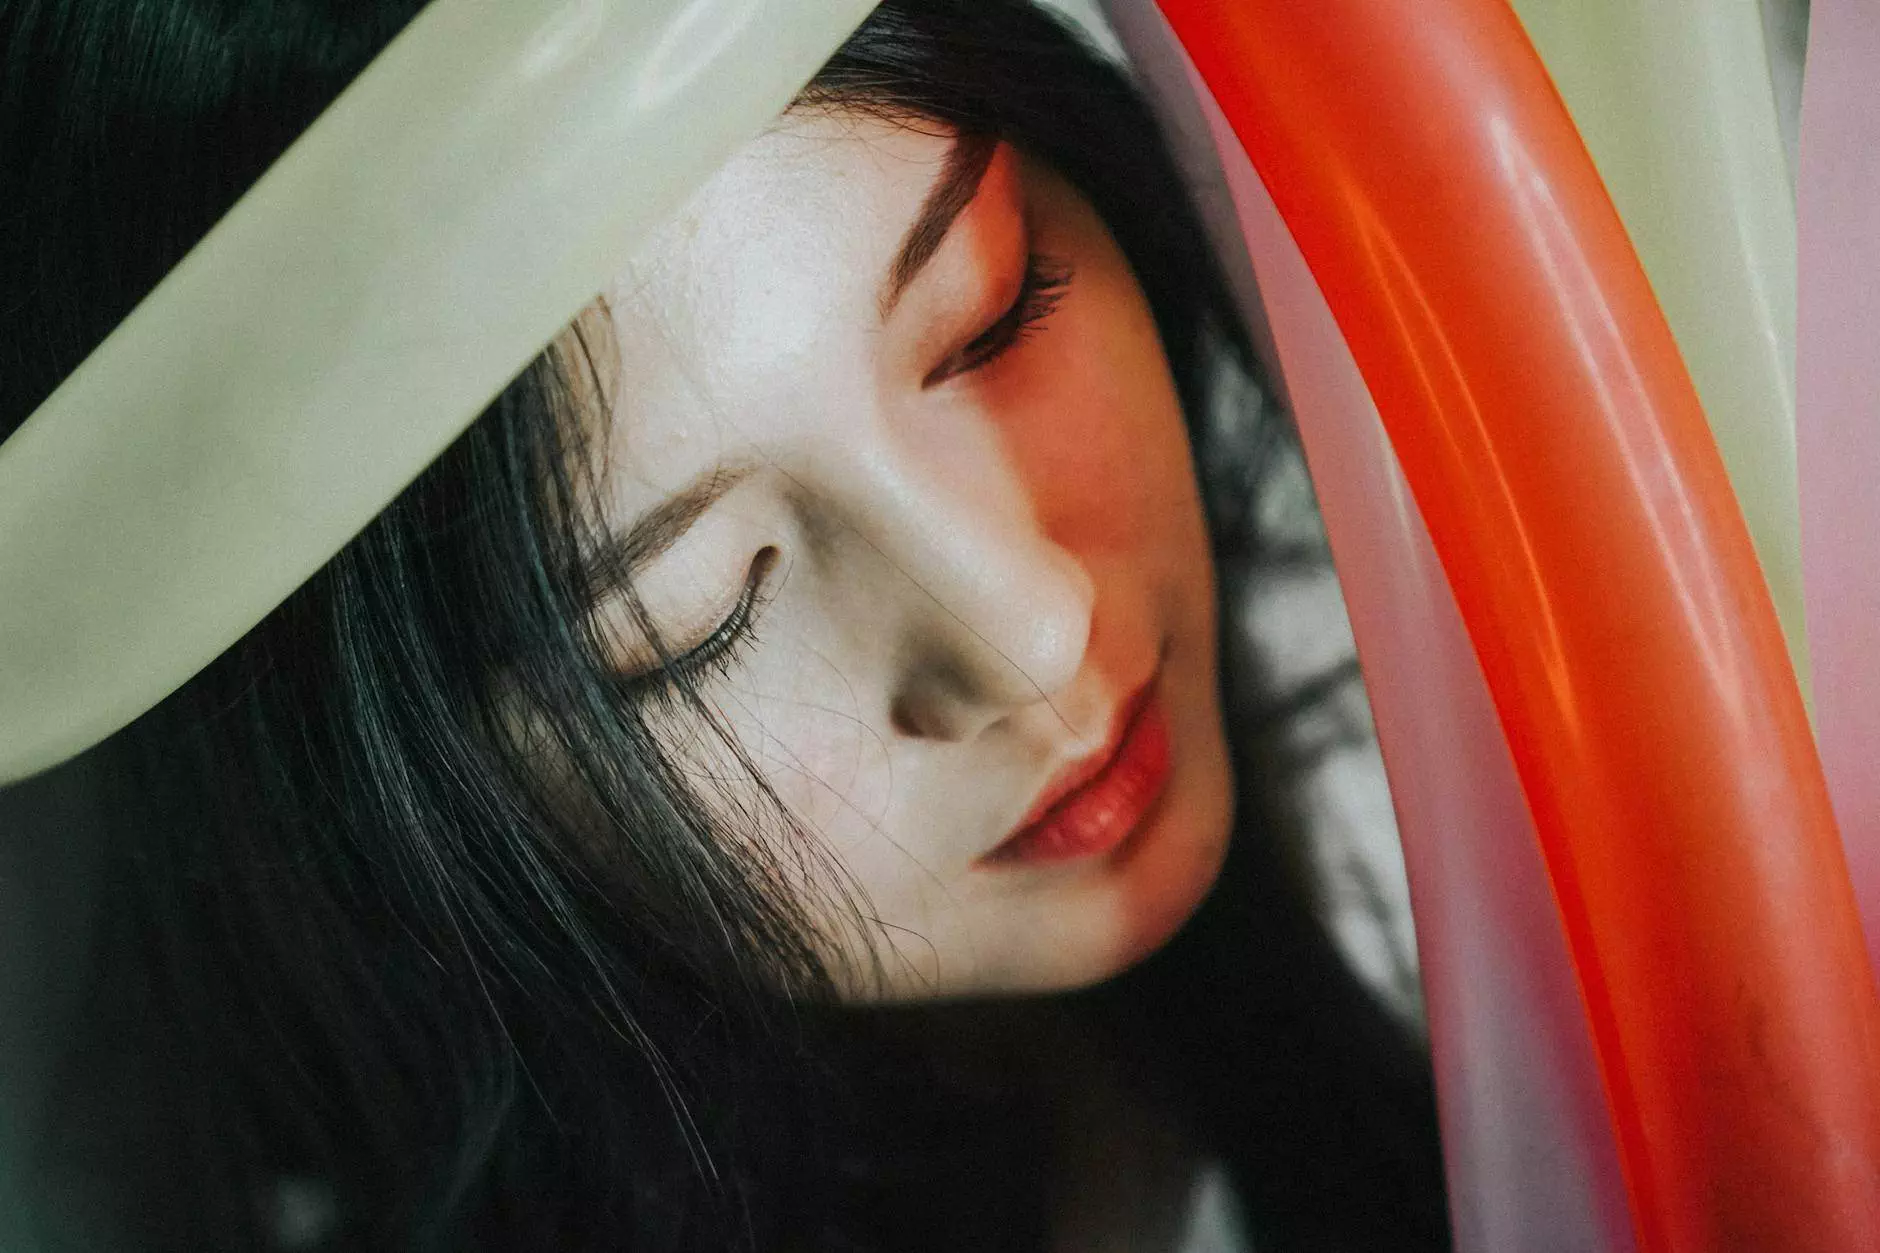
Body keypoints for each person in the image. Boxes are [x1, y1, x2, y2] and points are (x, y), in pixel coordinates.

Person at [0, 0, 1451, 1248]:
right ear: (386, 806)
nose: (1027, 640)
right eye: (692, 626)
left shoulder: (1488, 676)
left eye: (993, 317)